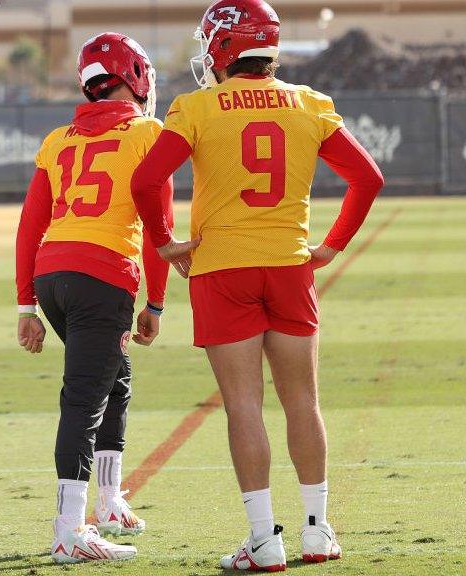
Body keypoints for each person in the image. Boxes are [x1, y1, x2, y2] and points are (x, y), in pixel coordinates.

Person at [130, 0, 384, 570]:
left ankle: (264, 541)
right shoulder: (311, 104)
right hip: (290, 264)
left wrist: (166, 241)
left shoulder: (195, 106)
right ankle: (317, 531)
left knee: (244, 408)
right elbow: (368, 177)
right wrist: (332, 245)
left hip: (222, 269)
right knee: (303, 402)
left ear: (222, 48)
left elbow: (147, 179)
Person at [16, 32, 171, 564]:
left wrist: (25, 305)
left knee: (114, 380)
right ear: (136, 77)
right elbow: (158, 227)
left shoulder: (59, 138)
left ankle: (107, 502)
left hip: (52, 277)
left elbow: (29, 225)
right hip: (102, 278)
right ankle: (68, 530)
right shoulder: (150, 132)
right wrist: (155, 304)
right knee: (84, 398)